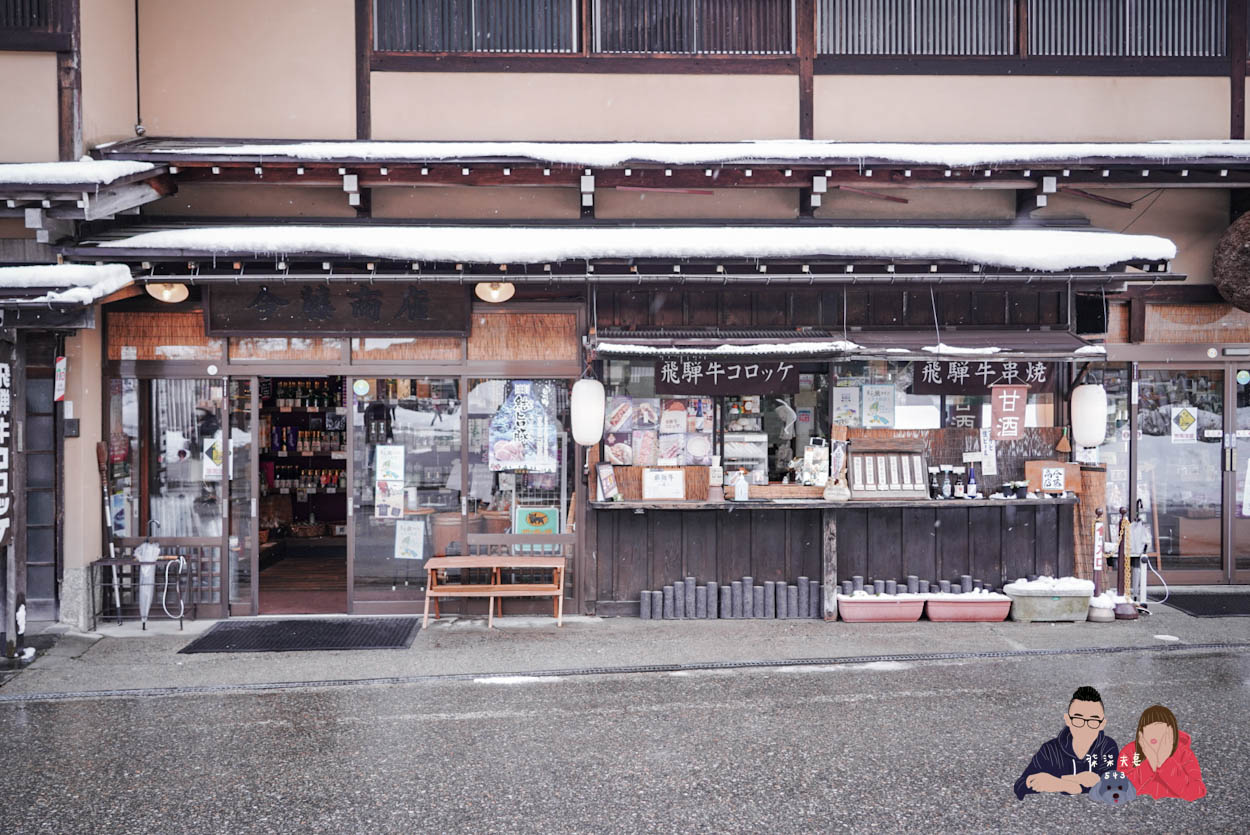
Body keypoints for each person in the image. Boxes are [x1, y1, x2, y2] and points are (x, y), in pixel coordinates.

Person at [1014, 686, 1119, 799]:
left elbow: (1113, 787)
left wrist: (1062, 783)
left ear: (1102, 724)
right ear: (1067, 720)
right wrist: (1069, 784)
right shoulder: (1050, 750)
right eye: (1078, 719)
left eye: (1093, 721)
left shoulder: (1107, 747)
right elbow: (1020, 786)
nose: (1085, 727)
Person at [1118, 705, 1205, 801]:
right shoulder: (1129, 752)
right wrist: (1150, 763)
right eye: (1148, 728)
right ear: (1141, 732)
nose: (1153, 734)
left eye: (1159, 728)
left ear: (1171, 731)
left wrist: (1166, 762)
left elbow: (1195, 792)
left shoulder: (1184, 753)